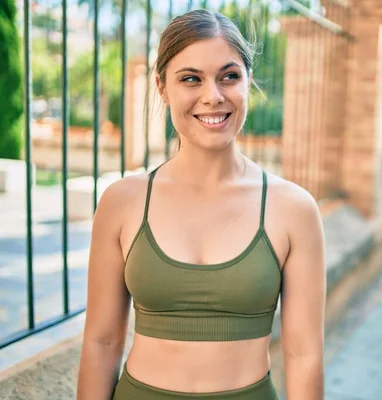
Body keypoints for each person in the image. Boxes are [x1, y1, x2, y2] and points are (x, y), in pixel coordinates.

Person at [76, 9, 326, 400]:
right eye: (191, 78)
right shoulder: (122, 202)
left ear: (248, 82)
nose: (213, 96)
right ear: (162, 87)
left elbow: (304, 354)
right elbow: (101, 342)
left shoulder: (293, 209)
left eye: (229, 76)